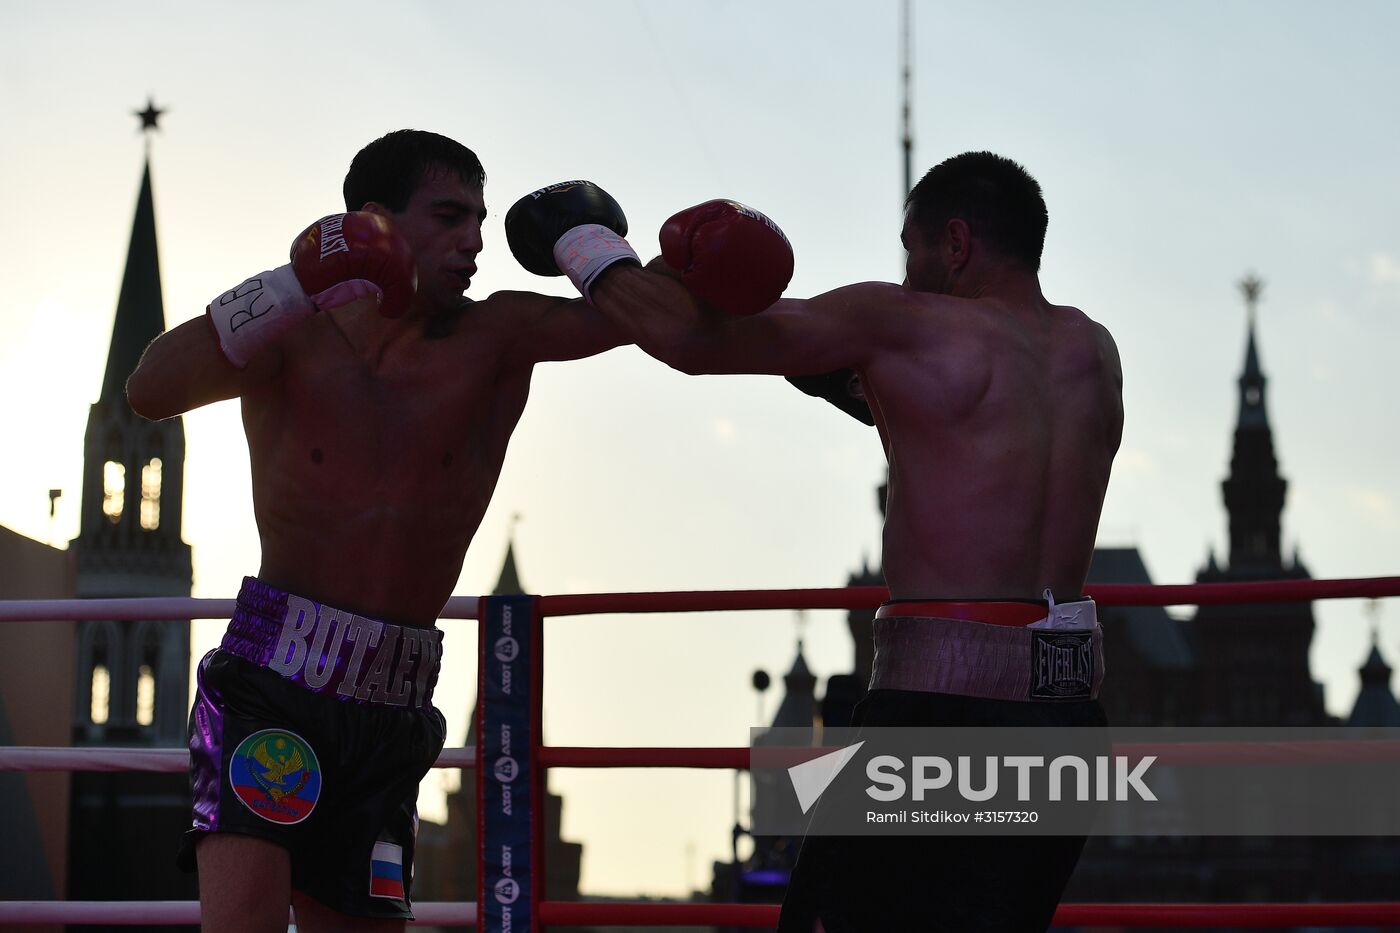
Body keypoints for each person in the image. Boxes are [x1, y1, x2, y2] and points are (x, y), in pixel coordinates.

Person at [506, 152, 1123, 931]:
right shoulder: (1094, 353)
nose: (905, 277)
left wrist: (582, 240)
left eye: (913, 251)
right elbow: (957, 423)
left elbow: (689, 341)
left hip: (942, 708)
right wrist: (829, 367)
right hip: (1065, 718)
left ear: (956, 243)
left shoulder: (902, 324)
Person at [125, 131, 632, 933]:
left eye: (481, 219)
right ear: (373, 223)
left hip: (392, 709)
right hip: (271, 689)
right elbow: (149, 387)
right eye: (449, 216)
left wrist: (591, 241)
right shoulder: (292, 334)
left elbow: (657, 327)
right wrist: (295, 280)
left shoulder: (494, 336)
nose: (474, 240)